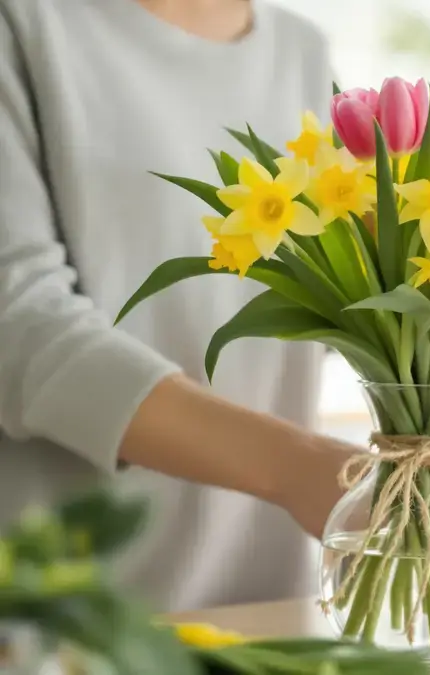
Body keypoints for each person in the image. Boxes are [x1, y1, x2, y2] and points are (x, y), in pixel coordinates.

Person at [0, 0, 354, 612]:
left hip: (268, 612)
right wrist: (299, 468)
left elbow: (347, 300)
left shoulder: (303, 52)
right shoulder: (25, 25)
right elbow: (21, 323)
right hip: (66, 622)